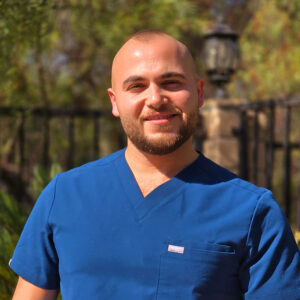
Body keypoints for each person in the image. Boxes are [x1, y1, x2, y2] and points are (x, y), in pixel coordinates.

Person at [10, 30, 300, 300]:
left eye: (171, 83)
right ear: (115, 101)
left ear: (199, 92)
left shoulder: (253, 213)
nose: (155, 99)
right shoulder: (65, 196)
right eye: (136, 86)